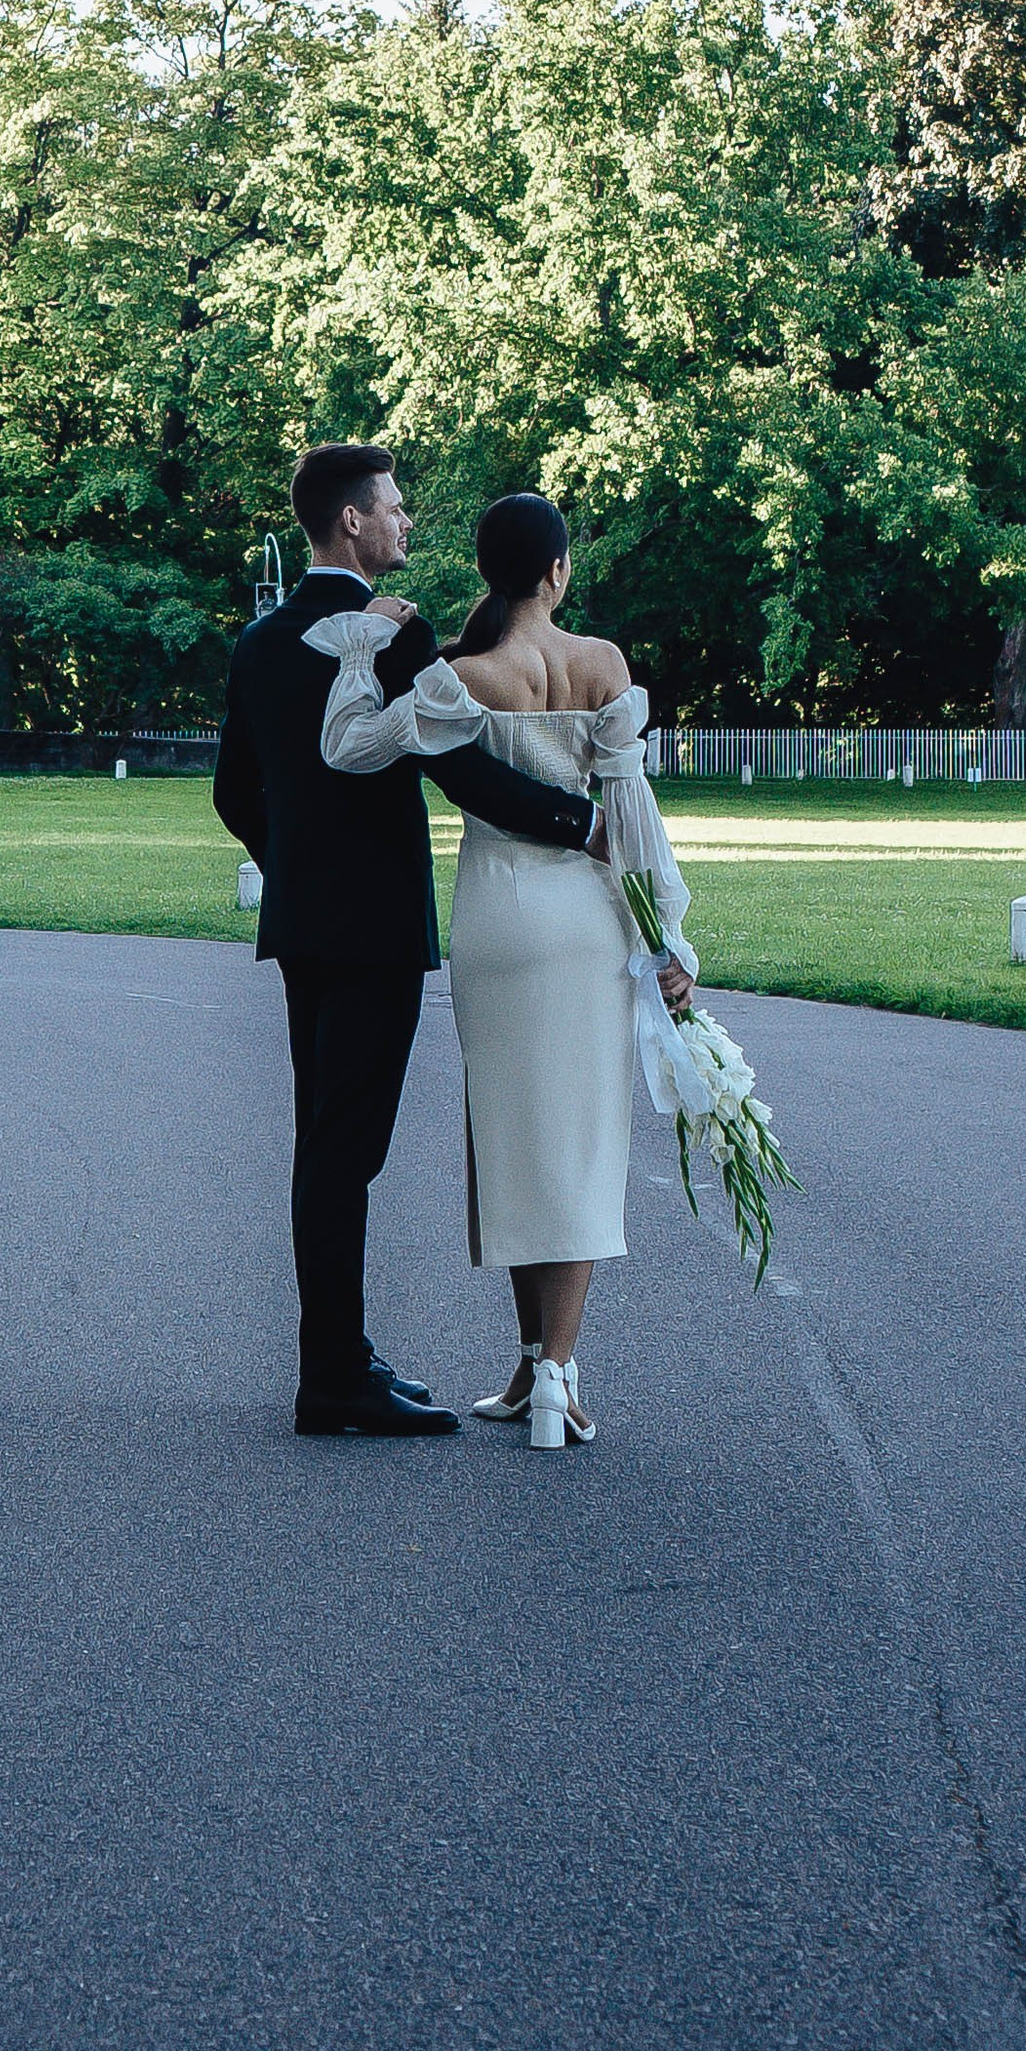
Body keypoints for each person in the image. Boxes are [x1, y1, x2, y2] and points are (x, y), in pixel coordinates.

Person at [214, 444, 606, 1439]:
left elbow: (232, 792)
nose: (402, 523)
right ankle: (334, 1378)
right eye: (390, 509)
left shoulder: (260, 643)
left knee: (326, 1150)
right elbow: (468, 772)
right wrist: (583, 825)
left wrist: (297, 871)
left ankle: (339, 1357)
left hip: (304, 930)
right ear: (349, 522)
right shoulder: (392, 636)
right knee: (347, 1155)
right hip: (380, 931)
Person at [306, 492, 694, 1455]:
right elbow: (632, 821)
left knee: (518, 1141)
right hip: (588, 920)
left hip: (498, 919)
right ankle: (553, 1373)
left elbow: (349, 749)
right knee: (582, 1143)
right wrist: (667, 939)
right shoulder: (602, 665)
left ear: (487, 571)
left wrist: (358, 655)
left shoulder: (459, 676)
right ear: (558, 570)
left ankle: (536, 1370)